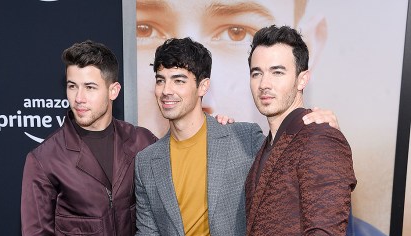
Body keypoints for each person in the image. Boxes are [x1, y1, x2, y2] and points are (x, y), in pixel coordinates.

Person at [133, 37, 338, 236]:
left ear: (203, 86)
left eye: (179, 80)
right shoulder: (146, 161)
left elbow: (294, 151)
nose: (167, 90)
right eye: (160, 80)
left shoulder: (243, 139)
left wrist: (324, 122)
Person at [21, 40, 157, 236]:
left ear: (113, 91)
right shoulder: (46, 159)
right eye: (72, 86)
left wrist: (218, 128)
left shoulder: (143, 142)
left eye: (90, 88)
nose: (78, 98)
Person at [236, 25, 356, 236]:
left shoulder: (319, 138)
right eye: (256, 73)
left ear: (302, 78)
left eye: (277, 72)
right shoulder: (267, 146)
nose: (264, 84)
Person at [136, 0, 327, 137]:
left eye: (236, 33)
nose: (170, 90)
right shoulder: (145, 161)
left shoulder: (318, 142)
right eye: (145, 29)